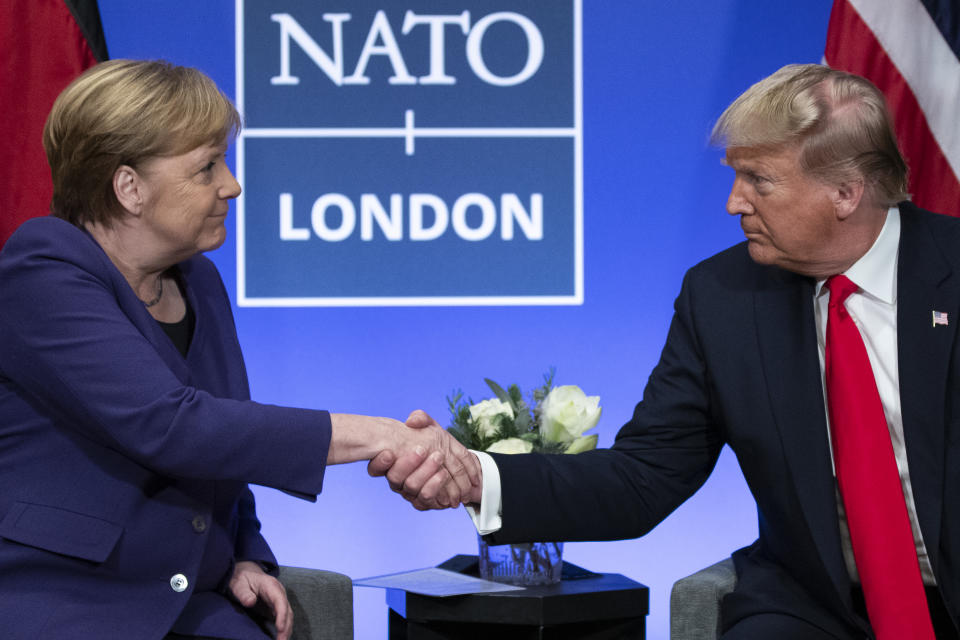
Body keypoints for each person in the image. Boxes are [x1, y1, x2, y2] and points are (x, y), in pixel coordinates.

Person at [373, 64, 960, 638]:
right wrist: (480, 477)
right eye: (735, 175)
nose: (734, 203)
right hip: (815, 605)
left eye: (760, 180)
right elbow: (642, 479)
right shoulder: (722, 298)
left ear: (845, 193)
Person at [0, 59, 479, 640]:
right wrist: (381, 435)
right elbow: (172, 425)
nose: (231, 184)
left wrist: (248, 554)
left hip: (191, 602)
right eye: (206, 167)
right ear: (129, 187)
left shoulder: (198, 279)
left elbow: (225, 442)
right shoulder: (42, 270)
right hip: (70, 600)